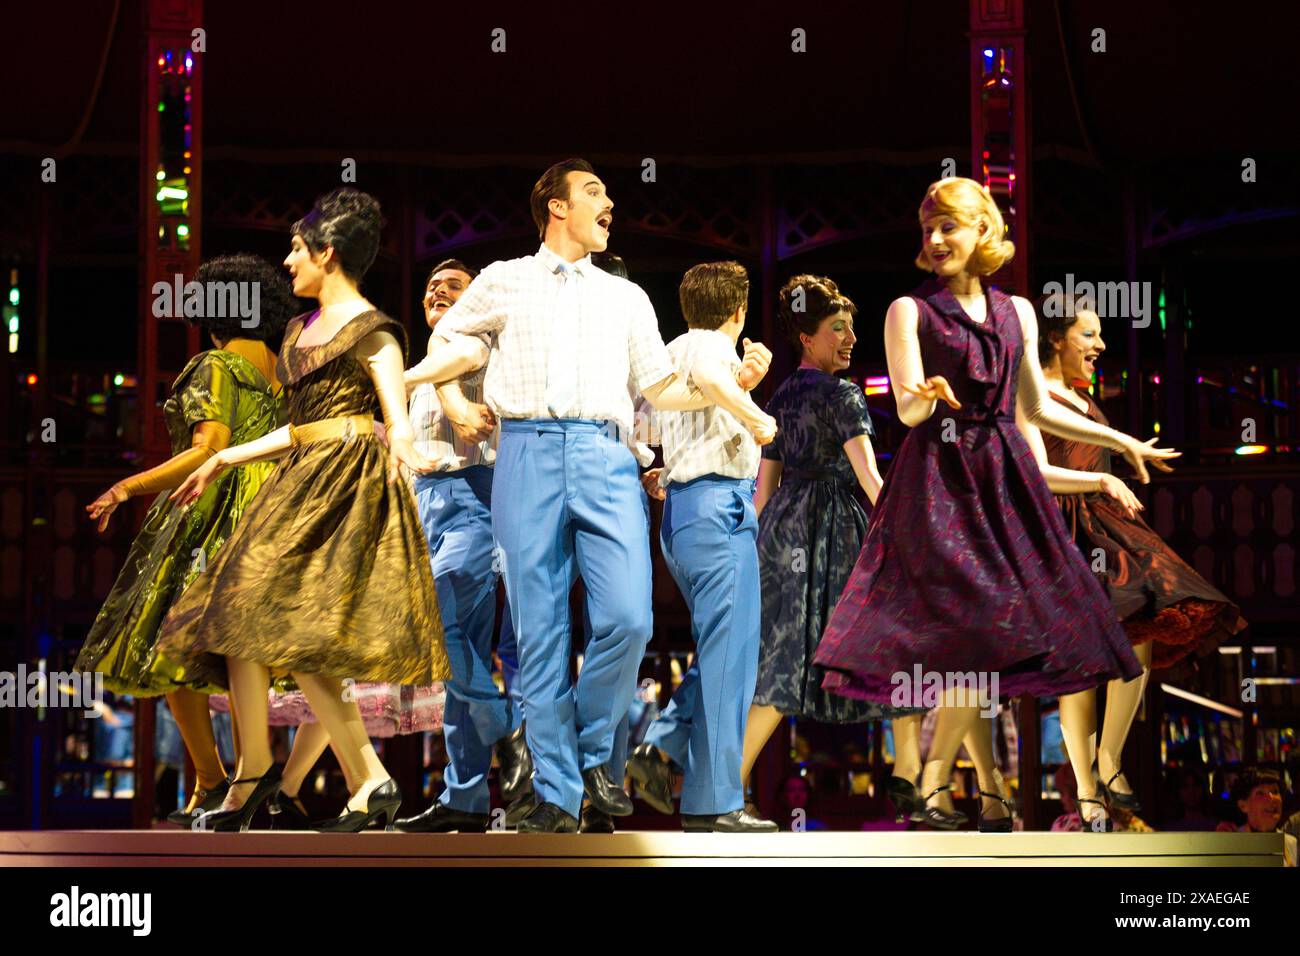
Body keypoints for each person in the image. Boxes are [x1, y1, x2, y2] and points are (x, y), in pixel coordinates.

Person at [407, 158, 769, 831]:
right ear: (556, 207)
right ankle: (557, 793)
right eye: (595, 193)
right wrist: (427, 384)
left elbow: (661, 389)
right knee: (538, 634)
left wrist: (736, 388)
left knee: (630, 618)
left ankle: (591, 751)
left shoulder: (626, 298)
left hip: (607, 457)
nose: (611, 204)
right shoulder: (504, 281)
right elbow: (451, 343)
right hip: (526, 453)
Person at [813, 177, 1177, 828]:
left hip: (1003, 484)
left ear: (983, 230)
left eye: (948, 225)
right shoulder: (908, 311)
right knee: (957, 633)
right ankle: (935, 781)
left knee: (1015, 633)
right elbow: (906, 406)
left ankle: (946, 782)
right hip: (939, 486)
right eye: (928, 228)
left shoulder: (1017, 315)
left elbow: (1035, 407)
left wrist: (1123, 443)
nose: (935, 238)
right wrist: (929, 395)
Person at [157, 188, 449, 832]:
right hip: (298, 478)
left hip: (346, 485)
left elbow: (393, 419)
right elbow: (294, 429)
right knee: (246, 616)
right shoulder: (296, 330)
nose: (287, 261)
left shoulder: (374, 331)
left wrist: (406, 450)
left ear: (328, 253)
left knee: (277, 622)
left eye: (296, 249)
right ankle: (296, 772)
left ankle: (309, 775)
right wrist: (221, 459)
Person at [74, 253, 312, 825]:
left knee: (174, 644)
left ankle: (212, 782)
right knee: (257, 656)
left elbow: (207, 448)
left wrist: (127, 487)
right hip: (279, 510)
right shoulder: (287, 369)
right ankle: (261, 782)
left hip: (215, 509)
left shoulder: (216, 365)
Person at [1026, 291, 1246, 829]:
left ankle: (1109, 760)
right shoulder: (1030, 395)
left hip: (1106, 526)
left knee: (1141, 634)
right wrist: (1101, 475)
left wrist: (1116, 470)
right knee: (1080, 671)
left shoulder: (1083, 396)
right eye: (1089, 334)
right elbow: (1033, 473)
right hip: (1061, 532)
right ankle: (1086, 788)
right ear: (1056, 338)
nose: (1101, 344)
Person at [627, 261, 779, 832]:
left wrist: (664, 468)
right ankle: (714, 802)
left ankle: (664, 749)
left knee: (724, 650)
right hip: (718, 508)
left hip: (685, 515)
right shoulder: (713, 348)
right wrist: (756, 414)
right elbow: (716, 382)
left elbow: (643, 429)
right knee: (732, 657)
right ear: (738, 310)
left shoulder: (671, 350)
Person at [394, 258, 532, 833]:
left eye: (452, 286)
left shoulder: (486, 349)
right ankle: (466, 796)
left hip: (475, 499)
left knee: (434, 619)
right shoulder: (425, 363)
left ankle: (506, 726)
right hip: (425, 505)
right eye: (431, 285)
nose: (437, 291)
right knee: (461, 656)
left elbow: (499, 422)